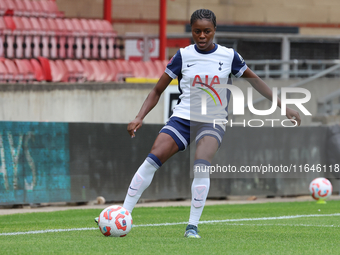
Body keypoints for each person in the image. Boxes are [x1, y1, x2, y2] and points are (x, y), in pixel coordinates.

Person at [111, 9, 301, 238]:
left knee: (201, 162)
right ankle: (123, 214)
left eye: (207, 31)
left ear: (214, 31)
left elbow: (257, 83)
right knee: (153, 157)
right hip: (182, 118)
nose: (202, 36)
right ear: (191, 31)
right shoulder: (182, 55)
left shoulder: (229, 56)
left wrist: (285, 107)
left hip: (212, 121)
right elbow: (157, 89)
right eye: (197, 31)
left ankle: (192, 226)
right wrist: (139, 116)